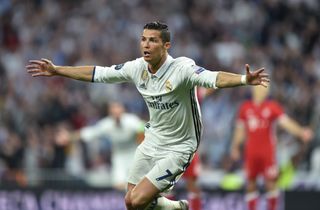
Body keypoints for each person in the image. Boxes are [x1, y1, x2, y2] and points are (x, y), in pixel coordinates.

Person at [26, 21, 269, 210]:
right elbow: (98, 73)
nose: (145, 45)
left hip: (179, 147)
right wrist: (58, 70)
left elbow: (213, 78)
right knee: (131, 202)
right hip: (152, 141)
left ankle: (174, 206)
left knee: (140, 198)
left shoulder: (182, 68)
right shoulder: (137, 68)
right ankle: (174, 207)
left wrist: (244, 79)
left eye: (153, 40)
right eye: (143, 39)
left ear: (166, 46)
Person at [230, 85, 313, 210]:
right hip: (251, 152)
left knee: (271, 183)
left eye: (265, 88)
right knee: (251, 183)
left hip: (267, 152)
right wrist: (235, 146)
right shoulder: (245, 108)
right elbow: (239, 130)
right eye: (261, 88)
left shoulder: (272, 107)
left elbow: (286, 123)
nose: (263, 91)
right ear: (254, 89)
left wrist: (301, 132)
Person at [56, 101, 145, 191]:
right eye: (113, 111)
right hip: (118, 156)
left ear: (123, 111)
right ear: (110, 112)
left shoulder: (131, 120)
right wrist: (70, 137)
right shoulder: (107, 124)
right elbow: (90, 132)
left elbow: (143, 127)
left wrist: (142, 139)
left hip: (134, 155)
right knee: (119, 185)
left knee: (138, 184)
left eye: (118, 110)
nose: (116, 113)